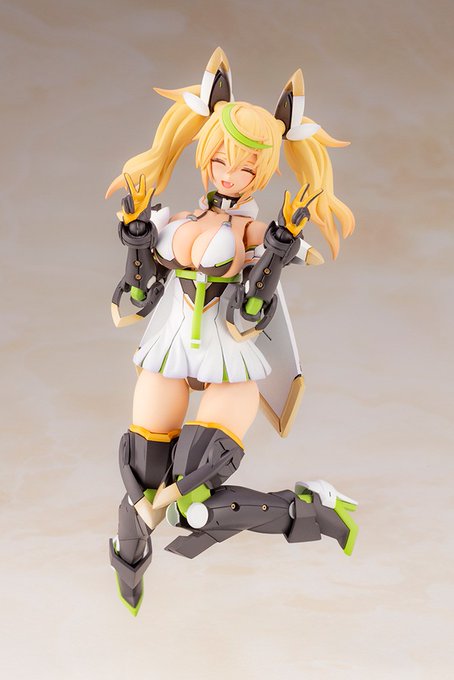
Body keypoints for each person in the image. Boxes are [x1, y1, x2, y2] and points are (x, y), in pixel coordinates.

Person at [106, 48, 358, 616]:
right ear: (206, 155)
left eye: (246, 167)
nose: (230, 174)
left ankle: (312, 510)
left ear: (261, 173)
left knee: (194, 498)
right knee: (141, 474)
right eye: (222, 159)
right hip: (169, 350)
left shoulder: (252, 232)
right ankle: (130, 557)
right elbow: (140, 295)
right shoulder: (175, 220)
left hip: (228, 358)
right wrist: (139, 235)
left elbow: (251, 310)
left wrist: (278, 248)